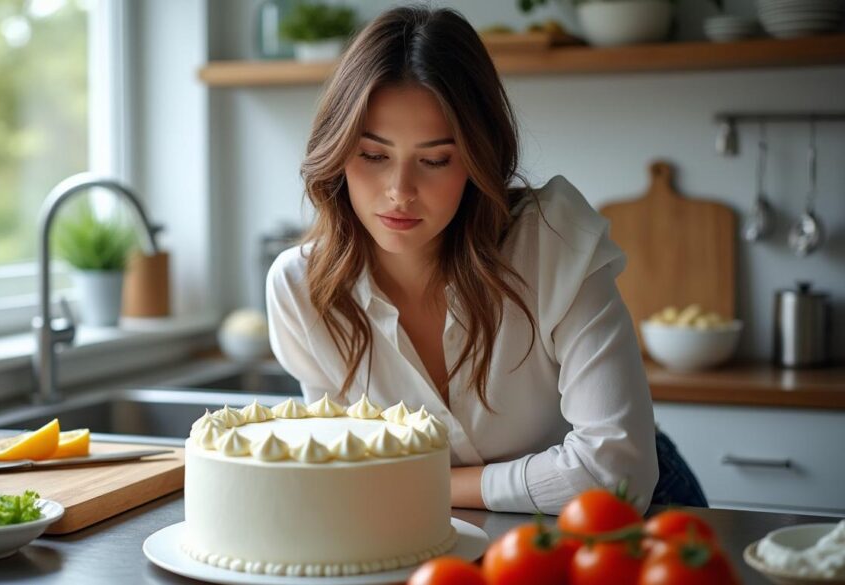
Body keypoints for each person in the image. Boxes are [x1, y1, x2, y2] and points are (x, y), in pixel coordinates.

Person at [266, 5, 703, 514]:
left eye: (435, 160)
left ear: (477, 160)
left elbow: (616, 471)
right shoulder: (302, 290)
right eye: (374, 155)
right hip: (443, 533)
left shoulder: (551, 239)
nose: (399, 192)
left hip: (631, 518)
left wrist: (422, 486)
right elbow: (352, 464)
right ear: (337, 152)